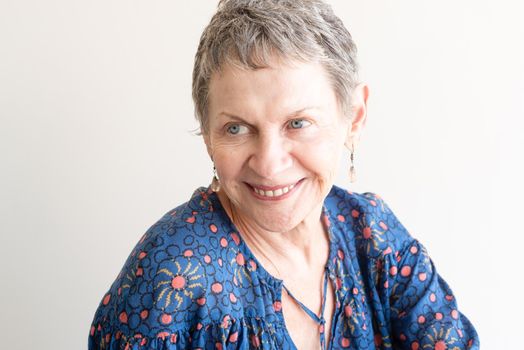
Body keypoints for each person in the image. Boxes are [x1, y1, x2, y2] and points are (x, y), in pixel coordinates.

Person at [88, 0, 479, 349]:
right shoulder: (173, 278)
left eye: (298, 123)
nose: (270, 164)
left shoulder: (374, 237)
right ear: (208, 135)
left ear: (354, 118)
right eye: (237, 128)